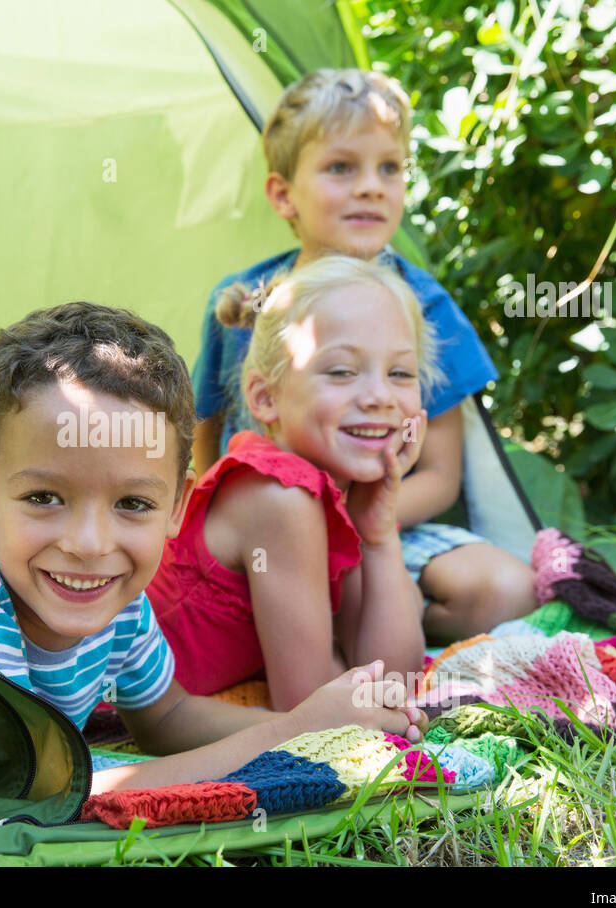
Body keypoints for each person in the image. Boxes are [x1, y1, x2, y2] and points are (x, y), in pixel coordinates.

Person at [0, 302, 426, 793]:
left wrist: (314, 721)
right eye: (45, 496)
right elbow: (41, 795)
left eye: (132, 504)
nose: (90, 544)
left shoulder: (119, 596)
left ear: (178, 507)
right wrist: (290, 735)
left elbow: (166, 714)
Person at [190, 68, 536, 643]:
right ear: (283, 195)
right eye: (341, 168)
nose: (371, 186)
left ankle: (383, 624)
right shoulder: (244, 301)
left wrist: (352, 527)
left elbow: (442, 477)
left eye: (390, 168)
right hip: (262, 533)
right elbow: (205, 437)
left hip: (385, 523)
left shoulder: (425, 304)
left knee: (506, 589)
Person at [149, 257, 433, 711]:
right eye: (341, 371)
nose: (380, 396)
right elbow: (312, 708)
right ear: (265, 397)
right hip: (106, 704)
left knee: (408, 594)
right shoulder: (280, 495)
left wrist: (378, 536)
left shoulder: (347, 491)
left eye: (400, 373)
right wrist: (343, 666)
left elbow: (395, 678)